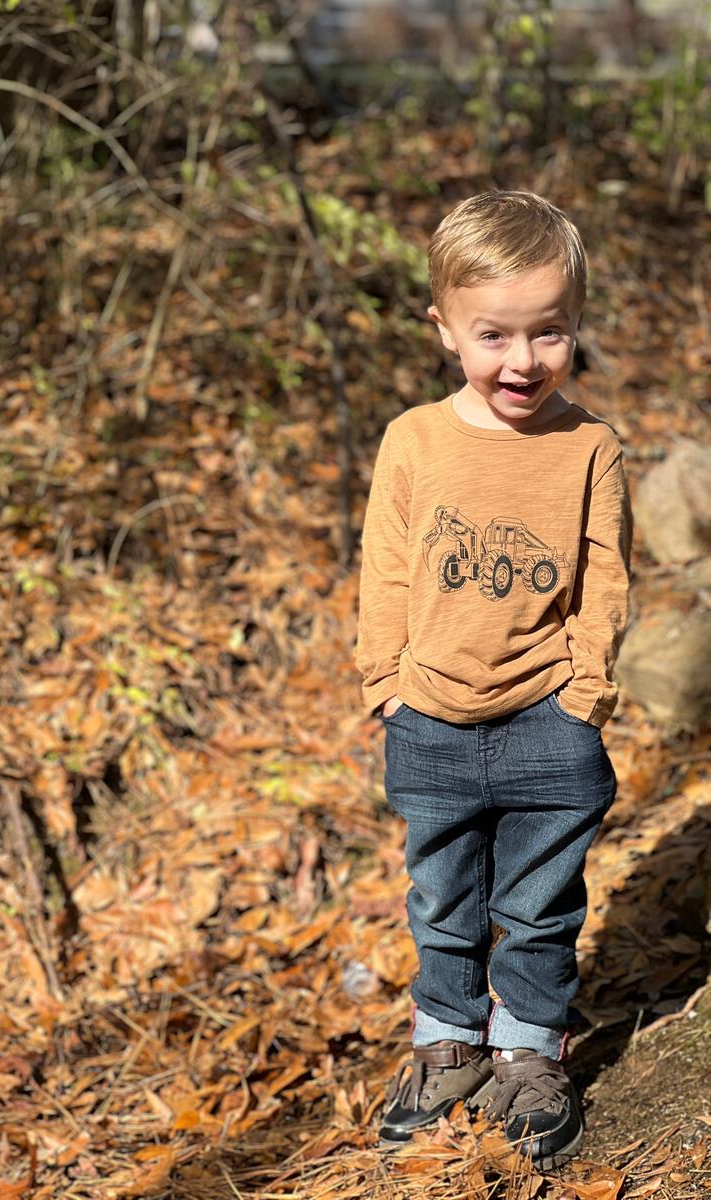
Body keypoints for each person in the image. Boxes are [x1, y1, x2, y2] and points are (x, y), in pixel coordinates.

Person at [354, 191, 632, 1170]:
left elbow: (606, 575)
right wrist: (384, 682)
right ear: (444, 330)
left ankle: (528, 1051)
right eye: (495, 335)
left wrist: (585, 695)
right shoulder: (415, 441)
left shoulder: (590, 447)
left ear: (574, 324)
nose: (523, 359)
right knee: (439, 894)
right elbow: (385, 567)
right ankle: (447, 1040)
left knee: (542, 899)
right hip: (427, 715)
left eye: (547, 331)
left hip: (549, 718)